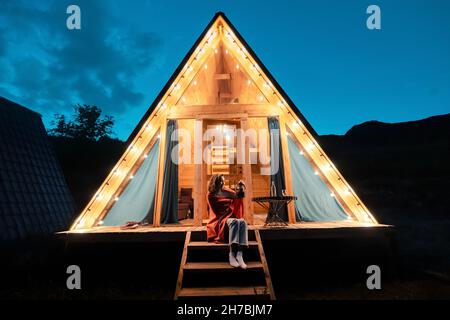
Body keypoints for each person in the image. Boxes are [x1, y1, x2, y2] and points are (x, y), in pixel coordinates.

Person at [206, 174, 248, 269]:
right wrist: (233, 198)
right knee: (234, 222)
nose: (223, 183)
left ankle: (240, 255)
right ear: (215, 182)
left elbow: (238, 197)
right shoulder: (211, 195)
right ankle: (232, 254)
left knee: (242, 222)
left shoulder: (226, 190)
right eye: (220, 181)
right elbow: (218, 212)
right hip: (219, 220)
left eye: (223, 181)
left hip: (230, 216)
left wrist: (240, 189)